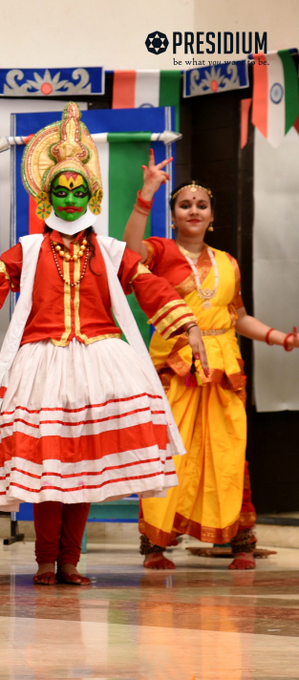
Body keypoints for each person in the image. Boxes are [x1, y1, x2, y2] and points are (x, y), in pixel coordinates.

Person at [0, 102, 209, 586]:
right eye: (61, 191)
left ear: (92, 194)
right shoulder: (27, 249)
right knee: (48, 477)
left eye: (78, 190)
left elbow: (150, 284)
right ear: (47, 197)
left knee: (82, 472)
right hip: (42, 368)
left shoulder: (110, 251)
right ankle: (47, 561)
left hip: (100, 368)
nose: (69, 199)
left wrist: (188, 326)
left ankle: (71, 563)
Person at [124, 155, 297, 570]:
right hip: (177, 366)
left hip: (224, 369)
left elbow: (237, 317)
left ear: (212, 216)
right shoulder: (159, 252)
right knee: (171, 452)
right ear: (173, 216)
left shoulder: (227, 262)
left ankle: (240, 540)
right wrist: (145, 196)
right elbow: (129, 250)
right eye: (185, 204)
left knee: (227, 451)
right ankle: (157, 546)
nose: (194, 210)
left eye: (201, 205)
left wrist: (280, 338)